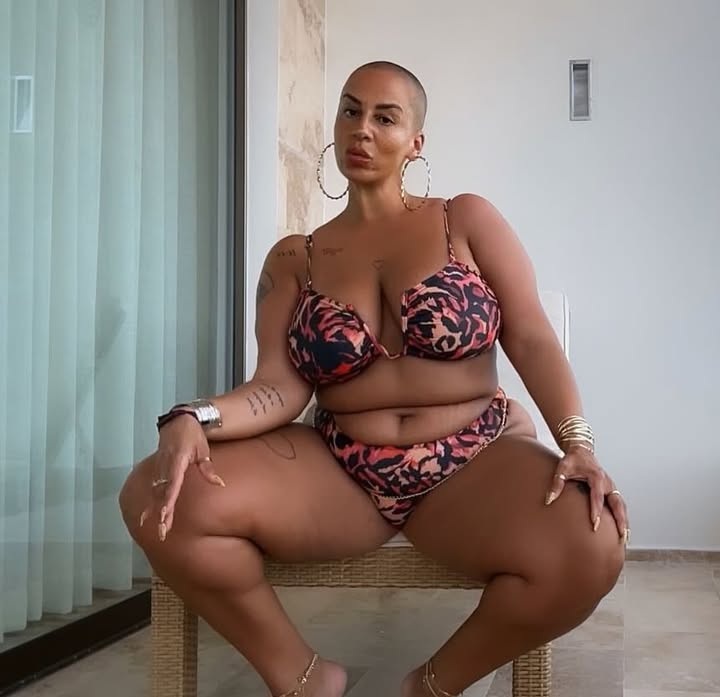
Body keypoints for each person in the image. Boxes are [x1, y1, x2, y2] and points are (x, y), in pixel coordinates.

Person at [119, 61, 627, 697]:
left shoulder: (464, 221)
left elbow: (530, 337)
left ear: (416, 142)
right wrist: (194, 417)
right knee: (157, 494)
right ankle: (304, 680)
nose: (362, 129)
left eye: (385, 118)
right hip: (341, 470)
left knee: (592, 541)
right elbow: (278, 387)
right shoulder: (296, 258)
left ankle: (431, 688)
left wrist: (577, 443)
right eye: (350, 111)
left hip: (473, 462)